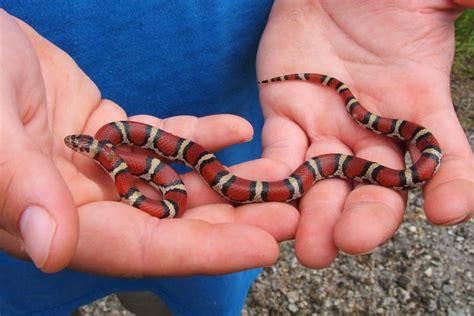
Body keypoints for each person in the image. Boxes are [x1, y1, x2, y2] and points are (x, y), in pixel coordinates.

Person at [0, 1, 472, 315]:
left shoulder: (126, 165)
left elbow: (166, 193)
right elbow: (165, 194)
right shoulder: (127, 163)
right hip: (42, 236)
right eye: (87, 149)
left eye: (84, 146)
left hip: (251, 53)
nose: (81, 147)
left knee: (193, 286)